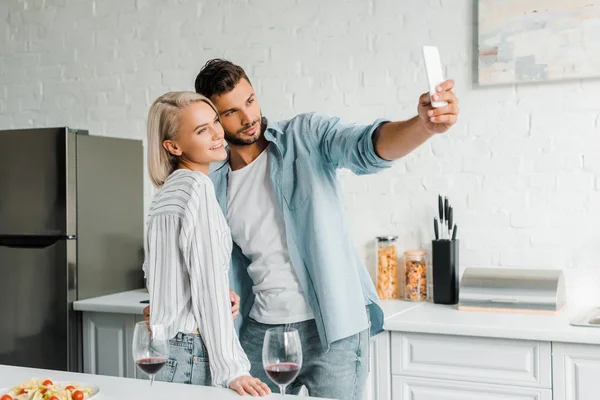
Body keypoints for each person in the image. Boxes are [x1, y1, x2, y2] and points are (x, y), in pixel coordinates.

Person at [146, 59, 459, 399]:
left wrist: (423, 126)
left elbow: (368, 146)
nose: (248, 117)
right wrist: (169, 305)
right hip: (258, 330)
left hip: (334, 331)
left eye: (250, 100)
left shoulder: (304, 137)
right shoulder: (211, 182)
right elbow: (194, 259)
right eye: (230, 112)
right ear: (214, 121)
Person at [143, 91, 271, 397]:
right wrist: (233, 369)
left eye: (215, 121)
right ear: (173, 146)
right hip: (192, 351)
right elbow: (206, 285)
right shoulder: (198, 188)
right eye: (202, 130)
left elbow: (160, 274)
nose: (217, 133)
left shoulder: (164, 194)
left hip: (165, 348)